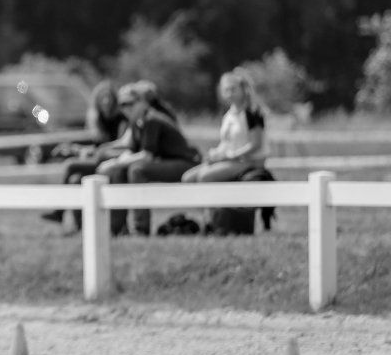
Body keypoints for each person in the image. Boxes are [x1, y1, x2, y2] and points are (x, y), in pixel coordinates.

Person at [97, 81, 200, 236]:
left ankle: (141, 228)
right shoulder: (137, 121)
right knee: (119, 171)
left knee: (137, 170)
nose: (126, 109)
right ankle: (117, 228)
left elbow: (146, 155)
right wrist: (109, 158)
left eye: (130, 104)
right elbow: (130, 150)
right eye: (122, 105)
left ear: (141, 102)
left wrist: (114, 163)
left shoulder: (152, 119)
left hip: (186, 163)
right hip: (166, 162)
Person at [42, 80, 130, 229]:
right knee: (75, 180)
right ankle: (82, 226)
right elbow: (97, 147)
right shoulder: (99, 120)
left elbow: (119, 146)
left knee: (70, 165)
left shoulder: (122, 119)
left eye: (109, 98)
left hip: (111, 162)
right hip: (100, 159)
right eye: (103, 98)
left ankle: (59, 211)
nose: (106, 101)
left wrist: (95, 151)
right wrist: (75, 148)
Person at [182, 69, 266, 183]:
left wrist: (231, 155)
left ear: (243, 89)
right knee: (187, 178)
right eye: (226, 90)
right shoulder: (228, 115)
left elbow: (256, 144)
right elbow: (226, 143)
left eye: (233, 89)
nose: (229, 94)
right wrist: (216, 154)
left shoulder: (252, 112)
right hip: (229, 160)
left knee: (205, 177)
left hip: (247, 161)